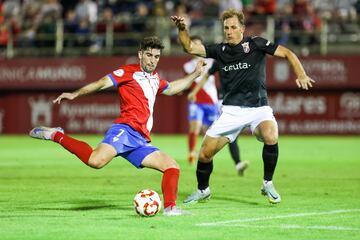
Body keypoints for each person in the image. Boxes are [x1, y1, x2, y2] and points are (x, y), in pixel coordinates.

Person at [29, 36, 205, 215]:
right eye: (149, 55)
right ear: (140, 54)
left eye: (157, 56)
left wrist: (195, 75)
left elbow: (173, 87)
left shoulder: (154, 79)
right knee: (95, 161)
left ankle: (170, 209)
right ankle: (55, 135)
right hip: (125, 130)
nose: (153, 60)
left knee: (171, 166)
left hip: (140, 140)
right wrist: (75, 95)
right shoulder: (127, 72)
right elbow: (100, 83)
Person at [171, 9, 315, 204]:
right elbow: (189, 47)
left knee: (271, 135)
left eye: (233, 27)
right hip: (231, 111)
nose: (229, 31)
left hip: (258, 108)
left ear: (242, 28)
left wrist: (301, 74)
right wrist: (182, 29)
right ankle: (203, 190)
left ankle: (268, 183)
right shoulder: (219, 50)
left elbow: (287, 53)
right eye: (226, 28)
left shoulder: (256, 44)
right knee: (205, 154)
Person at [189, 60, 249, 176]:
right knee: (219, 133)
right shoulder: (220, 59)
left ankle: (237, 163)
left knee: (229, 134)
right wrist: (195, 92)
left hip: (230, 102)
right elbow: (206, 76)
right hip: (222, 102)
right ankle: (202, 156)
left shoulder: (241, 58)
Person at [184, 36, 219, 164]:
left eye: (199, 44)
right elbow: (188, 82)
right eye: (194, 45)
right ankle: (191, 153)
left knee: (212, 130)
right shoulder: (187, 66)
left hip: (211, 100)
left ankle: (208, 152)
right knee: (195, 126)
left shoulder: (211, 61)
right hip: (196, 101)